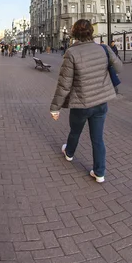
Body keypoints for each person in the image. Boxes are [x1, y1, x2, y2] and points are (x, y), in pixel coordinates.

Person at [50, 19, 123, 183]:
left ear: (74, 34)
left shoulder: (71, 53)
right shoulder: (103, 49)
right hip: (100, 102)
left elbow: (64, 84)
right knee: (98, 139)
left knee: (75, 131)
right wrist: (110, 55)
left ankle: (69, 153)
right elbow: (119, 68)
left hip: (81, 103)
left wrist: (55, 108)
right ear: (91, 33)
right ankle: (100, 173)